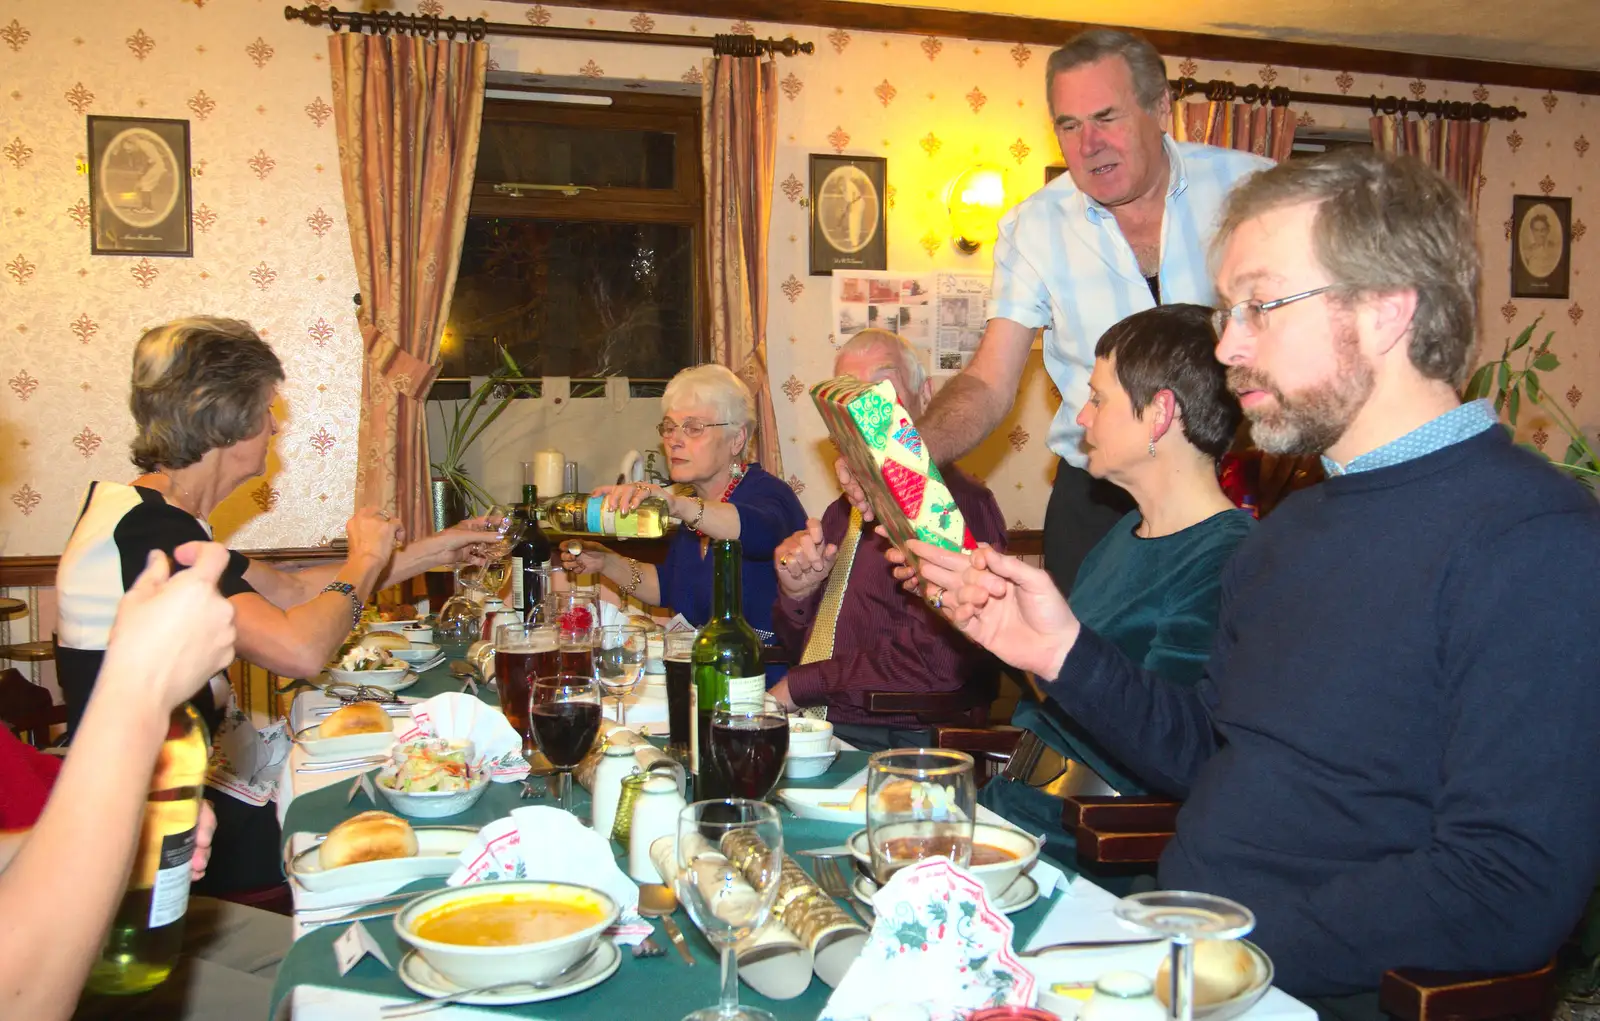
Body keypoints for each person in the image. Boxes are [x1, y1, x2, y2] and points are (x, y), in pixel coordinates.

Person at [901, 150, 1600, 1010]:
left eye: (1260, 307)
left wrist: (1220, 951)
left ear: (1386, 311)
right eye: (1231, 309)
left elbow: (1506, 883)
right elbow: (1210, 755)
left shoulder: (1531, 539)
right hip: (1175, 947)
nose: (1227, 345)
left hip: (1287, 986)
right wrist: (1062, 651)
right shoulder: (1292, 532)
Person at [54, 316, 490, 894]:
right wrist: (361, 561)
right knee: (389, 823)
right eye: (265, 411)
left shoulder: (149, 518)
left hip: (167, 797)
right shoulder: (148, 537)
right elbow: (300, 648)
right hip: (141, 830)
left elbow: (289, 592)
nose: (272, 428)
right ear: (227, 421)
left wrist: (435, 549)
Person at [838, 30, 1269, 595]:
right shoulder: (1033, 227)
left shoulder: (1255, 190)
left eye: (1106, 117)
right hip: (1100, 496)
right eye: (1069, 125)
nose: (1088, 144)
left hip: (1240, 483)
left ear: (1161, 107)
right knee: (1080, 674)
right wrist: (900, 462)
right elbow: (989, 383)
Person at [975, 304, 1251, 846]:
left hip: (1086, 842)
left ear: (1159, 414)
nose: (1082, 417)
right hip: (1010, 808)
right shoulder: (1123, 534)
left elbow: (1170, 748)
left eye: (1098, 399)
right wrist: (998, 621)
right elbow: (1062, 689)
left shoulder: (1225, 559)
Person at [1, 541, 288, 1021]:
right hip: (38, 954)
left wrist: (130, 823)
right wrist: (140, 686)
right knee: (310, 1004)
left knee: (324, 959)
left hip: (84, 883)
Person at [765, 330, 1007, 751]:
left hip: (898, 738)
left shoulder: (949, 504)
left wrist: (800, 686)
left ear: (925, 396)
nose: (862, 412)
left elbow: (938, 662)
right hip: (822, 727)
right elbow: (796, 643)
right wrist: (796, 594)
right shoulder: (844, 511)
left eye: (879, 392)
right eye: (847, 396)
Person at [561, 365, 807, 673]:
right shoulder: (699, 504)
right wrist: (606, 561)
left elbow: (755, 530)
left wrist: (677, 505)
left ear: (736, 439)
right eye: (669, 427)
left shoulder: (770, 496)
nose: (674, 440)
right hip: (703, 681)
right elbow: (670, 586)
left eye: (693, 428)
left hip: (762, 689)